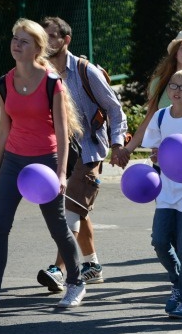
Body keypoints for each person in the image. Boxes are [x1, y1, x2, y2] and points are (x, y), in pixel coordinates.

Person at [0, 19, 85, 314]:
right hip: (13, 161)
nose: (16, 44)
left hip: (46, 163)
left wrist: (61, 174)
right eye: (14, 38)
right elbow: (3, 129)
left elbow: (62, 133)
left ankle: (76, 282)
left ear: (37, 47)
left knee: (57, 226)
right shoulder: (4, 82)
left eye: (24, 41)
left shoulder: (52, 84)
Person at [36, 17, 129, 290]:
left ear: (66, 40)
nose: (47, 41)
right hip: (58, 150)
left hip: (88, 149)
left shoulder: (85, 71)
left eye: (52, 36)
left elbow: (114, 108)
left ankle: (59, 269)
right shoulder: (40, 72)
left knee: (70, 209)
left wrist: (117, 144)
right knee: (79, 207)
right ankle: (92, 264)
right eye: (44, 36)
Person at [141, 69, 182, 319]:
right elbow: (156, 149)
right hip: (166, 192)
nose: (177, 91)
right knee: (159, 240)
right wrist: (157, 156)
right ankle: (178, 283)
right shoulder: (160, 117)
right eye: (173, 86)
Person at [124, 29, 182, 154]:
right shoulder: (159, 83)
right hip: (163, 161)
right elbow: (149, 118)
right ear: (175, 53)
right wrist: (127, 150)